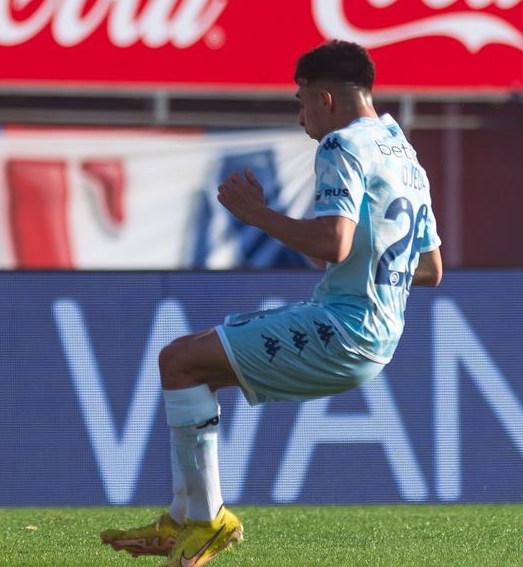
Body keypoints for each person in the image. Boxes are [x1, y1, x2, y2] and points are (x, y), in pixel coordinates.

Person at [100, 40, 442, 567]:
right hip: (377, 334)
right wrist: (369, 271)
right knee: (191, 367)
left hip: (343, 329)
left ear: (326, 98)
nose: (300, 115)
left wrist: (256, 214)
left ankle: (204, 520)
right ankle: (185, 514)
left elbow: (334, 242)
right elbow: (431, 269)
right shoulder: (404, 153)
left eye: (301, 101)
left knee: (179, 361)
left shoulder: (341, 146)